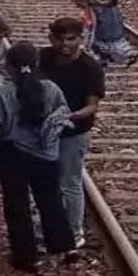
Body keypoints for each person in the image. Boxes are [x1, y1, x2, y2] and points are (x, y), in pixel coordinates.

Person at [0, 42, 76, 273]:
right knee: (51, 199)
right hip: (46, 154)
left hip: (12, 153)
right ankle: (63, 246)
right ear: (36, 64)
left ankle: (26, 256)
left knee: (16, 203)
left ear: (9, 67)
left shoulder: (1, 94)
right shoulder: (51, 89)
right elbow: (62, 114)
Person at [39, 17, 105, 248]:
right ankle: (48, 227)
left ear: (81, 39)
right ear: (51, 38)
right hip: (43, 131)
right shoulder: (43, 58)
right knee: (45, 182)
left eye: (71, 39)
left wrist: (68, 117)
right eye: (59, 40)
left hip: (73, 133)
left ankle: (74, 230)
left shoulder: (90, 68)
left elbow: (92, 106)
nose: (65, 45)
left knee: (69, 182)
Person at [86, 0, 138, 67]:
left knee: (106, 35)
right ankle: (103, 58)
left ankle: (128, 54)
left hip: (107, 14)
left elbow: (108, 2)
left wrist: (95, 0)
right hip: (103, 13)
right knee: (100, 35)